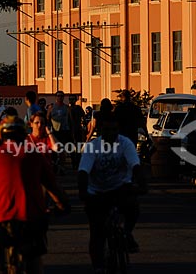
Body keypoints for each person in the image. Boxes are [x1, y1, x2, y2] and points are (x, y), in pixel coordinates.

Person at [0, 115, 70, 274]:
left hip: (0, 218)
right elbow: (54, 188)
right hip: (31, 218)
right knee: (35, 256)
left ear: (1, 135)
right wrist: (63, 205)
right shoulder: (35, 156)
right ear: (23, 135)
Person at [78, 112, 147, 273]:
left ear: (118, 130)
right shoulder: (93, 146)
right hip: (97, 191)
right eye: (107, 130)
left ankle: (127, 233)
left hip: (120, 187)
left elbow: (135, 166)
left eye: (114, 130)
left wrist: (143, 185)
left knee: (133, 208)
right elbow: (83, 172)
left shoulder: (125, 143)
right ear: (101, 130)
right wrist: (83, 192)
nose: (111, 134)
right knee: (97, 232)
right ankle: (98, 266)